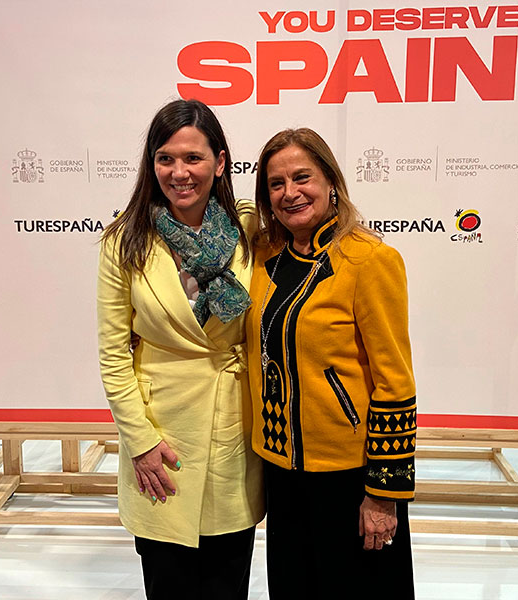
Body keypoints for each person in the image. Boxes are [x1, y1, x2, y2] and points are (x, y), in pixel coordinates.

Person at [97, 99, 264, 600]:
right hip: (160, 432)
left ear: (220, 161)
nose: (179, 172)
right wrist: (140, 441)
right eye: (165, 158)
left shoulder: (249, 230)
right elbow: (113, 354)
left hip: (232, 424)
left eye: (193, 157)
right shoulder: (124, 242)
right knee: (167, 580)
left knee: (227, 579)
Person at [247, 128, 417, 599]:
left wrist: (383, 493)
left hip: (350, 479)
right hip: (281, 474)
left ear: (330, 182)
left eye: (302, 177)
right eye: (276, 183)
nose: (290, 192)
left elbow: (395, 381)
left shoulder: (369, 260)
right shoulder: (264, 257)